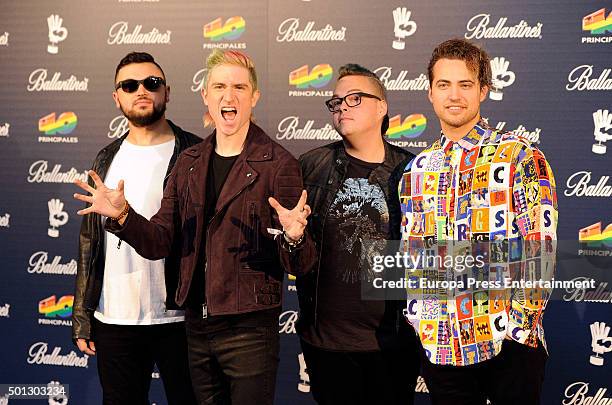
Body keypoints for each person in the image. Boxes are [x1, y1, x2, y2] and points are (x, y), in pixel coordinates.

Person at [73, 49, 314, 405]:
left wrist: (294, 238)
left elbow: (301, 264)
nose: (228, 96)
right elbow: (159, 242)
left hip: (249, 331)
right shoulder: (189, 161)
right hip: (197, 330)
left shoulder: (280, 164)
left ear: (254, 97)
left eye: (239, 87)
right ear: (205, 96)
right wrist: (123, 216)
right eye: (219, 86)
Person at [399, 38, 557, 405]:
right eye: (444, 84)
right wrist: (420, 319)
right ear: (430, 93)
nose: (454, 95)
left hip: (508, 348)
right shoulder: (417, 170)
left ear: (484, 90)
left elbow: (541, 248)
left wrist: (516, 330)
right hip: (443, 347)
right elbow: (414, 254)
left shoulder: (518, 155)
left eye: (465, 84)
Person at [275, 63, 420, 404]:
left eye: (354, 98)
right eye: (336, 101)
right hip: (326, 344)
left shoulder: (412, 171)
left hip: (393, 343)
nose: (341, 107)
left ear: (382, 107)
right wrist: (292, 237)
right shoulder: (310, 166)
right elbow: (293, 261)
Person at [72, 51, 201, 405]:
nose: (141, 90)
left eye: (151, 83)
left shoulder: (195, 153)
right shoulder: (104, 158)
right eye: (130, 85)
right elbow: (89, 243)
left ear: (167, 92)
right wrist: (82, 313)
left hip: (179, 316)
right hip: (114, 317)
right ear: (117, 97)